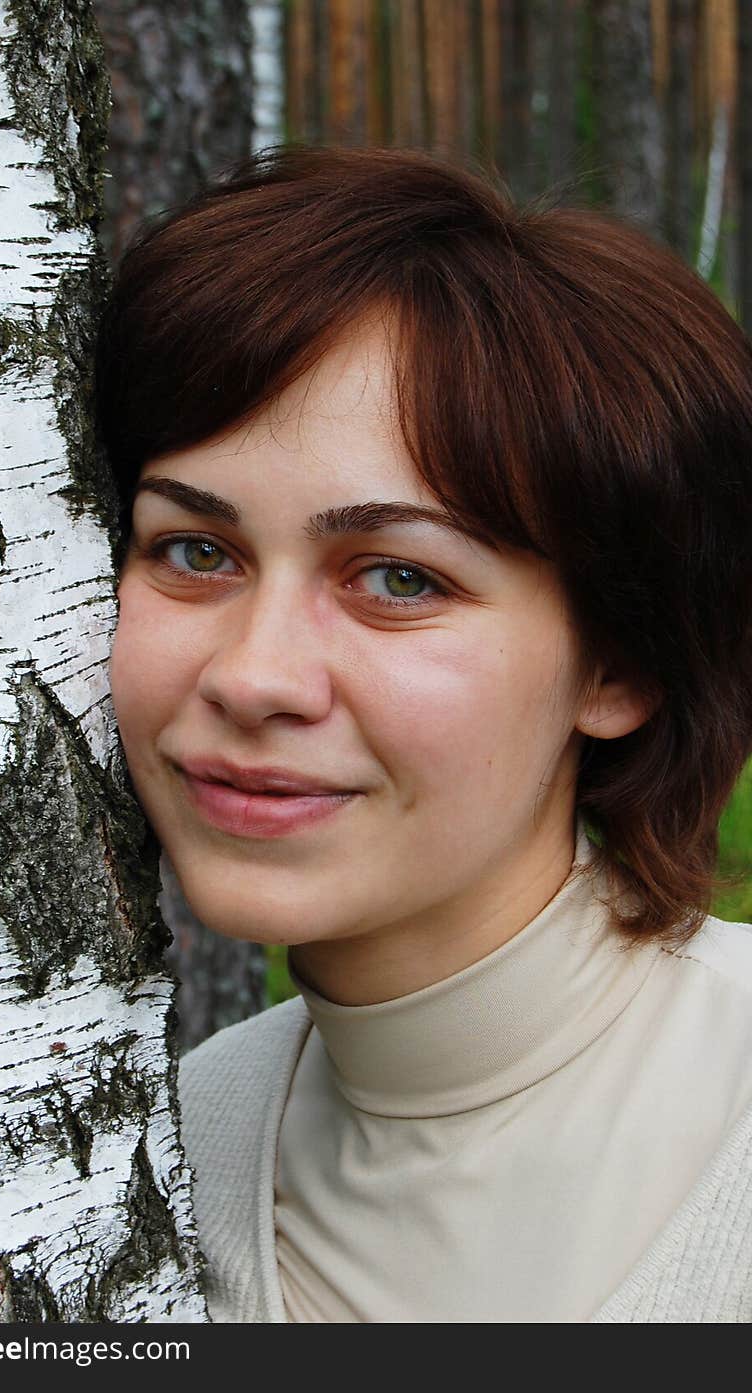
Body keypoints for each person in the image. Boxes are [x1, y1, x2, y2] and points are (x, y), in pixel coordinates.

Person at [96, 144, 752, 1323]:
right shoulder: (141, 1156)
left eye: (397, 577)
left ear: (621, 662)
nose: (254, 677)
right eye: (196, 551)